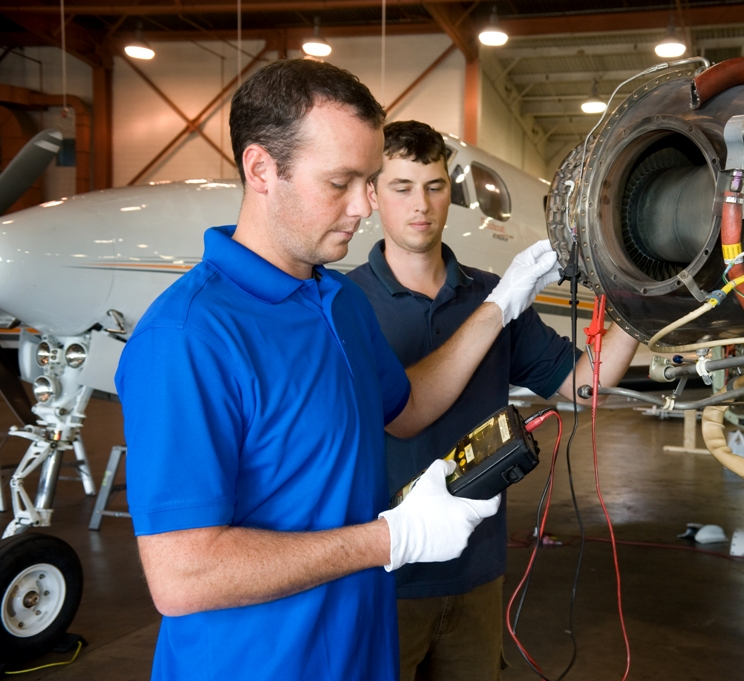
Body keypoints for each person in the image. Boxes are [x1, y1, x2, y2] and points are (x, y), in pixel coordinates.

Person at [115, 59, 562, 681]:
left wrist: (500, 305)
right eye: (340, 183)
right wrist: (392, 539)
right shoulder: (189, 336)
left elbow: (406, 409)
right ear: (261, 169)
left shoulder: (339, 301)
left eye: (370, 179)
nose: (363, 206)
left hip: (360, 649)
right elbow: (182, 576)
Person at [348, 120, 639, 681]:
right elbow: (401, 415)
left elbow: (580, 384)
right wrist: (501, 306)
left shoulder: (494, 291)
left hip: (478, 573)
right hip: (384, 575)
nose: (421, 205)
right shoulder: (348, 303)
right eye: (401, 187)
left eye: (434, 187)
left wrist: (639, 296)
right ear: (373, 195)